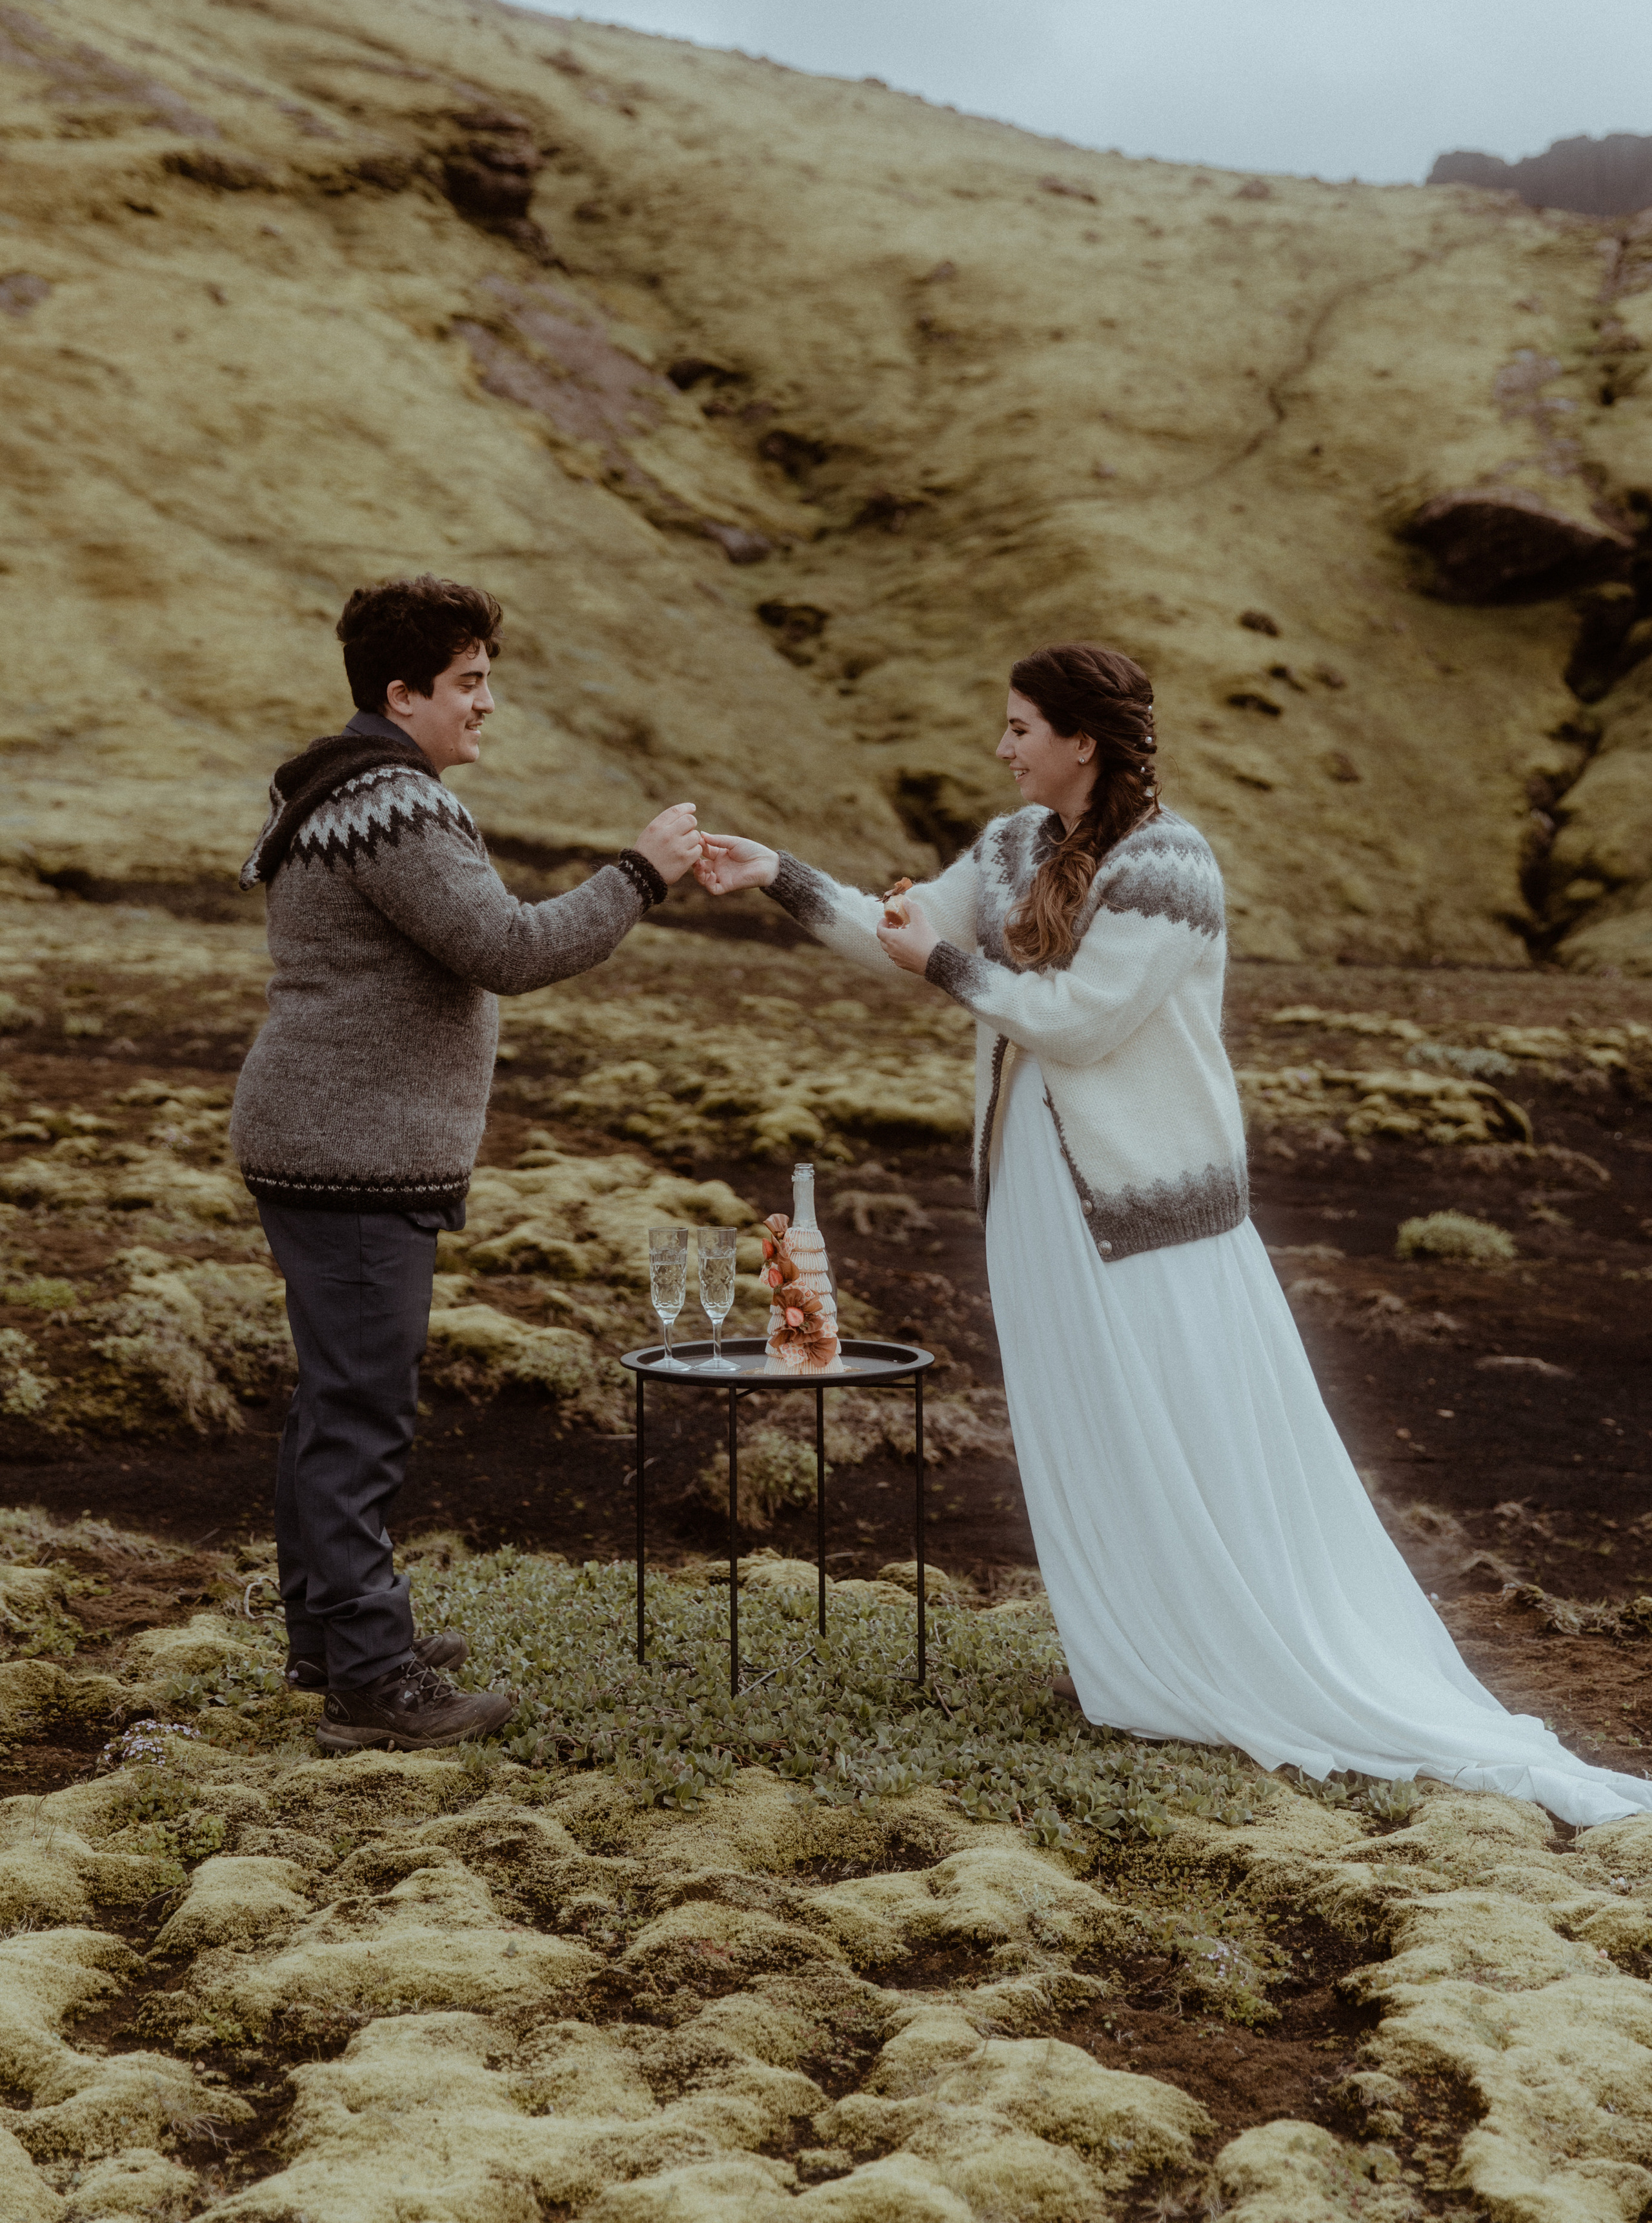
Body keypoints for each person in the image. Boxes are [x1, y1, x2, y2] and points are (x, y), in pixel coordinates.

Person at [695, 642, 1652, 1827]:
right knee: (1087, 1417)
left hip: (1153, 1208)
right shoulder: (1009, 846)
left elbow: (1084, 1024)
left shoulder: (1171, 865)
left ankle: (1228, 1653)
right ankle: (1138, 1662)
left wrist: (944, 963)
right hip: (1037, 1193)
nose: (1001, 748)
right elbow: (897, 927)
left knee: (1184, 1423)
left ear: (1081, 741)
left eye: (1018, 728)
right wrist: (775, 875)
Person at [231, 576, 702, 1754]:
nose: (488, 706)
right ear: (404, 694)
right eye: (470, 684)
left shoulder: (342, 789)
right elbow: (508, 947)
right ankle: (372, 1684)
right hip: (350, 1155)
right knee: (360, 1415)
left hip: (327, 1141)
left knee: (332, 1402)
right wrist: (639, 872)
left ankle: (327, 1635)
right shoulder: (395, 805)